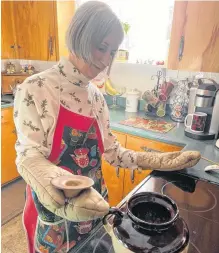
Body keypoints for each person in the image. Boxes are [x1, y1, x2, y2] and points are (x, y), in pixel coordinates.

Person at [14, 1, 201, 253]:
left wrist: (161, 160)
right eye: (101, 47)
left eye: (112, 51)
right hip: (56, 215)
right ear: (79, 37)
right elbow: (28, 157)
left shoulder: (96, 98)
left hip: (96, 206)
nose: (105, 60)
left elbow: (114, 154)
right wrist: (60, 190)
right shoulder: (35, 89)